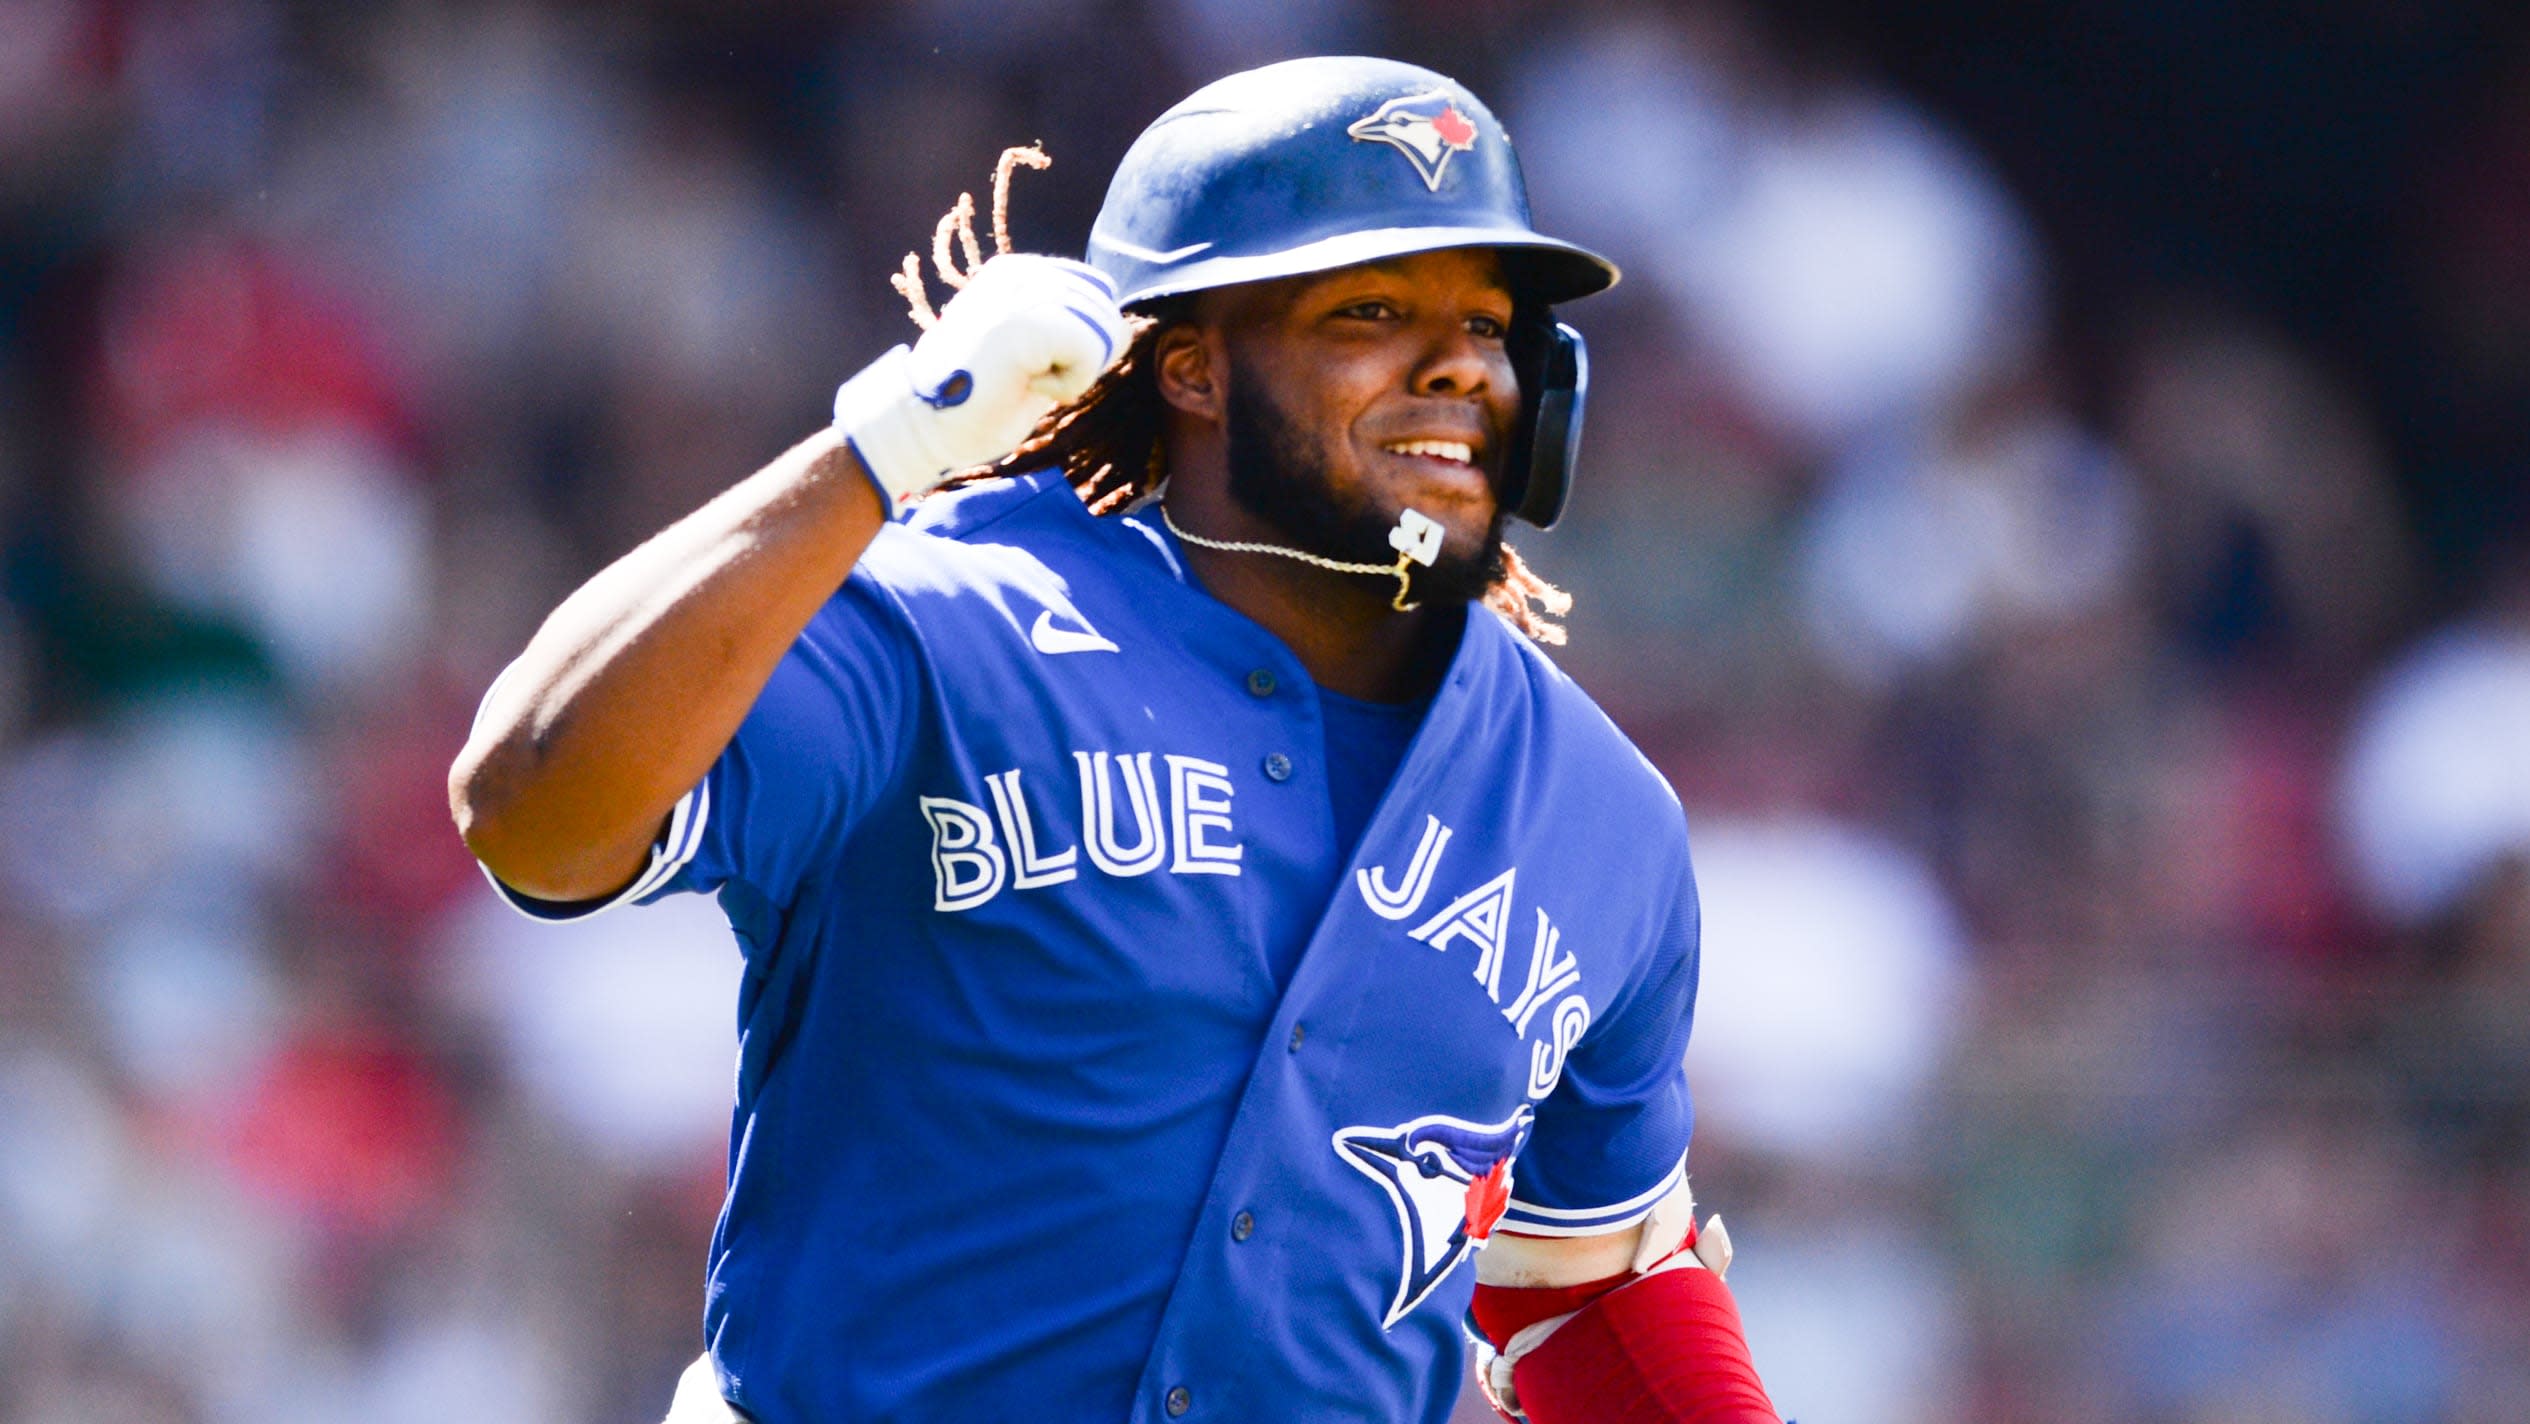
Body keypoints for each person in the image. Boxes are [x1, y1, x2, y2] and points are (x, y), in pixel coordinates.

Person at [449, 55, 1779, 1424]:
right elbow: (534, 813)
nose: (1457, 365)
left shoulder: (1598, 811)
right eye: (1371, 310)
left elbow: (1584, 1289)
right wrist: (887, 444)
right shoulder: (943, 628)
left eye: (1491, 325)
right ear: (1193, 367)